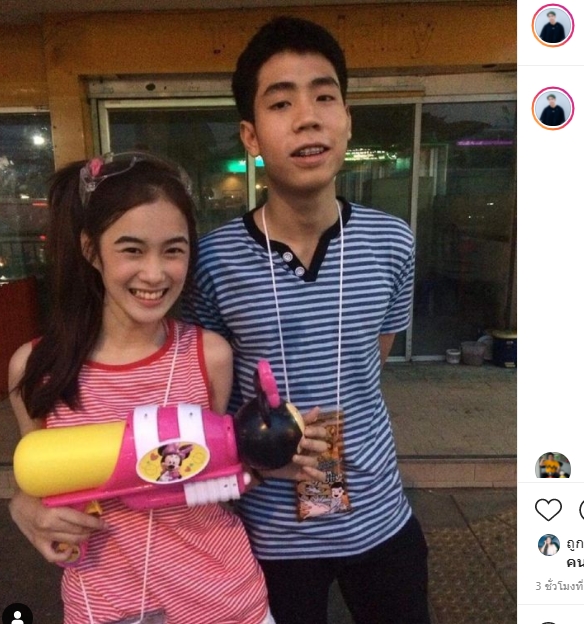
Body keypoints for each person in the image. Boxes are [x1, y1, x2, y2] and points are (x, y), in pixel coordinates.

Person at [182, 17, 429, 624]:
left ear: (347, 119)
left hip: (380, 518)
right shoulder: (211, 261)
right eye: (281, 102)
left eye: (324, 97)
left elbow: (369, 364)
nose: (307, 118)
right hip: (265, 538)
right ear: (250, 135)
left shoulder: (393, 241)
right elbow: (202, 403)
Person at [7, 153, 275, 624]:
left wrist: (273, 452)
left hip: (225, 603)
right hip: (102, 608)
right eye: (131, 250)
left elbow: (224, 475)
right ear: (91, 250)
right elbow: (38, 480)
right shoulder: (36, 368)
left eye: (173, 250)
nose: (154, 274)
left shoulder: (209, 355)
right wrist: (22, 506)